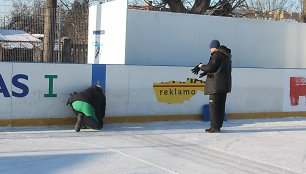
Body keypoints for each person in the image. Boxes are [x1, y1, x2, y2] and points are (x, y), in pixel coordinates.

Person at [191, 40, 232, 133]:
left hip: (216, 86)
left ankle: (214, 127)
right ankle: (218, 126)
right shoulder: (226, 56)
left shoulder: (217, 55)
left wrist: (201, 66)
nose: (210, 49)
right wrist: (206, 72)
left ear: (214, 47)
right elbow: (218, 68)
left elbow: (211, 67)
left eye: (211, 47)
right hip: (224, 86)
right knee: (220, 106)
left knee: (213, 107)